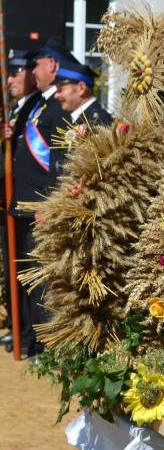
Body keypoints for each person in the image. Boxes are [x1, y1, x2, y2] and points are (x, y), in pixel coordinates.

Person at [9, 40, 72, 357]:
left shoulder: (56, 108)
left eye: (37, 65)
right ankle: (27, 336)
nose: (32, 71)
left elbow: (58, 161)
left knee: (40, 278)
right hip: (22, 203)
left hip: (39, 206)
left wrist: (48, 202)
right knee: (22, 275)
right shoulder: (37, 106)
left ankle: (43, 342)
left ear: (53, 66)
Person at [0, 50, 38, 352]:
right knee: (13, 271)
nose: (10, 79)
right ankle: (18, 328)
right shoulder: (17, 108)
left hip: (29, 204)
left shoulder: (38, 108)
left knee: (28, 274)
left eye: (16, 72)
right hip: (10, 202)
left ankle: (29, 335)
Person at [49, 59, 111, 178]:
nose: (56, 95)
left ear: (81, 88)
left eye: (60, 89)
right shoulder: (75, 118)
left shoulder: (98, 120)